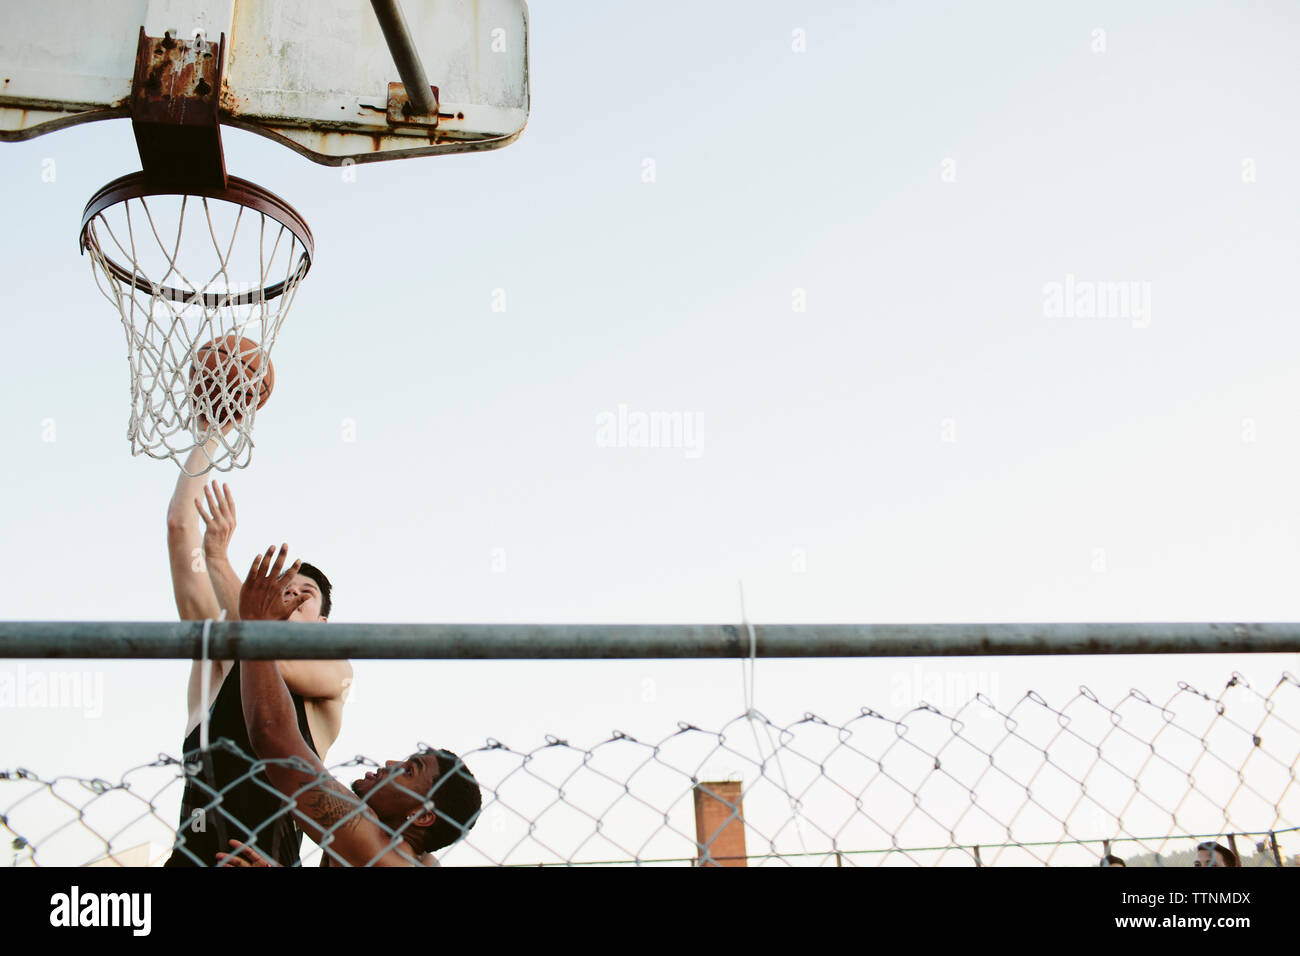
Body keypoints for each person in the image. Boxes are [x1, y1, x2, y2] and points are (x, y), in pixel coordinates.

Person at [215, 545, 482, 867]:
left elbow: (273, 737)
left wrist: (255, 629)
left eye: (410, 771)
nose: (391, 762)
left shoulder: (371, 841)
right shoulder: (419, 860)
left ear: (421, 815)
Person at [163, 443, 352, 866]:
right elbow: (180, 528)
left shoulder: (334, 673)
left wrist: (221, 566)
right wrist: (208, 433)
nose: (290, 597)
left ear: (321, 627)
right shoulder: (225, 657)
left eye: (305, 595)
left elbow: (269, 649)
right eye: (281, 588)